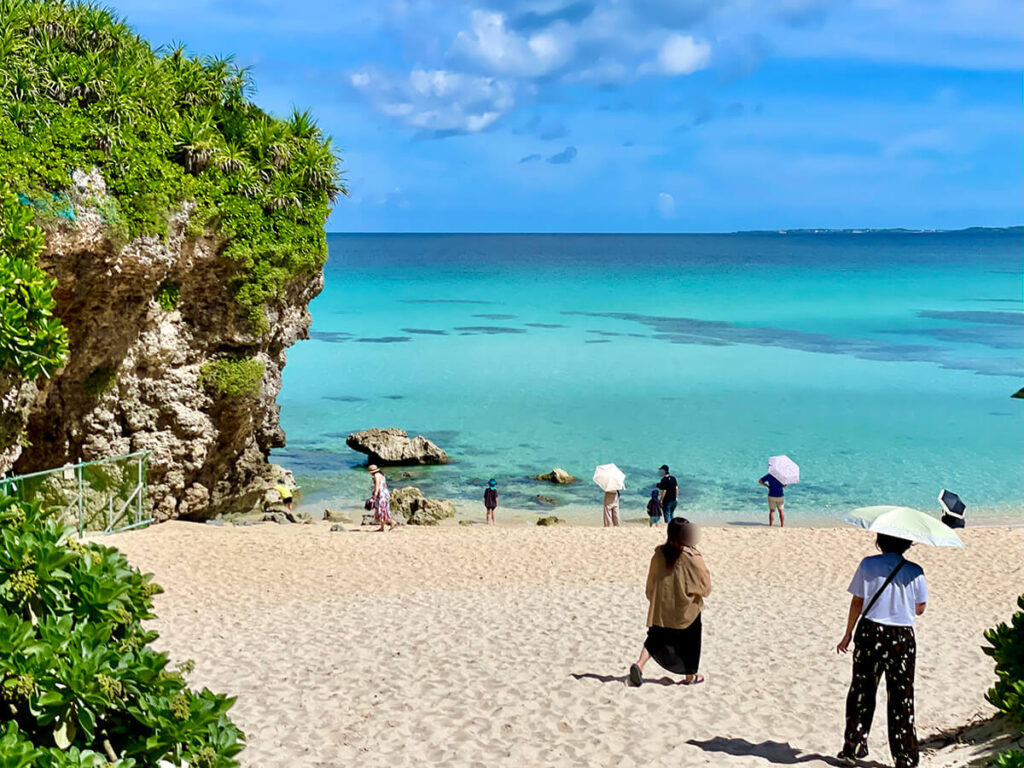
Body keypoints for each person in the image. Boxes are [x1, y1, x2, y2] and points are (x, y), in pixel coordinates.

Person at [836, 534, 928, 768]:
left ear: (880, 541)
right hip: (902, 636)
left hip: (870, 632)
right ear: (908, 544)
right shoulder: (915, 571)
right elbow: (920, 609)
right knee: (902, 696)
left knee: (862, 690)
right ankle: (904, 756)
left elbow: (857, 601)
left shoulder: (868, 564)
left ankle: (853, 746)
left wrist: (848, 632)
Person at [629, 518, 711, 687]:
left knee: (654, 638)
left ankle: (639, 664)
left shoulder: (659, 554)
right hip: (685, 609)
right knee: (692, 640)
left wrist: (653, 598)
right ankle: (690, 676)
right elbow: (705, 584)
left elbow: (651, 581)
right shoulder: (692, 557)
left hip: (662, 607)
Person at [368, 464, 397, 532]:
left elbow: (377, 484)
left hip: (381, 494)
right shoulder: (381, 474)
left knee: (382, 510)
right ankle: (382, 527)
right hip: (384, 492)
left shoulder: (376, 475)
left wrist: (375, 493)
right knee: (382, 510)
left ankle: (392, 522)